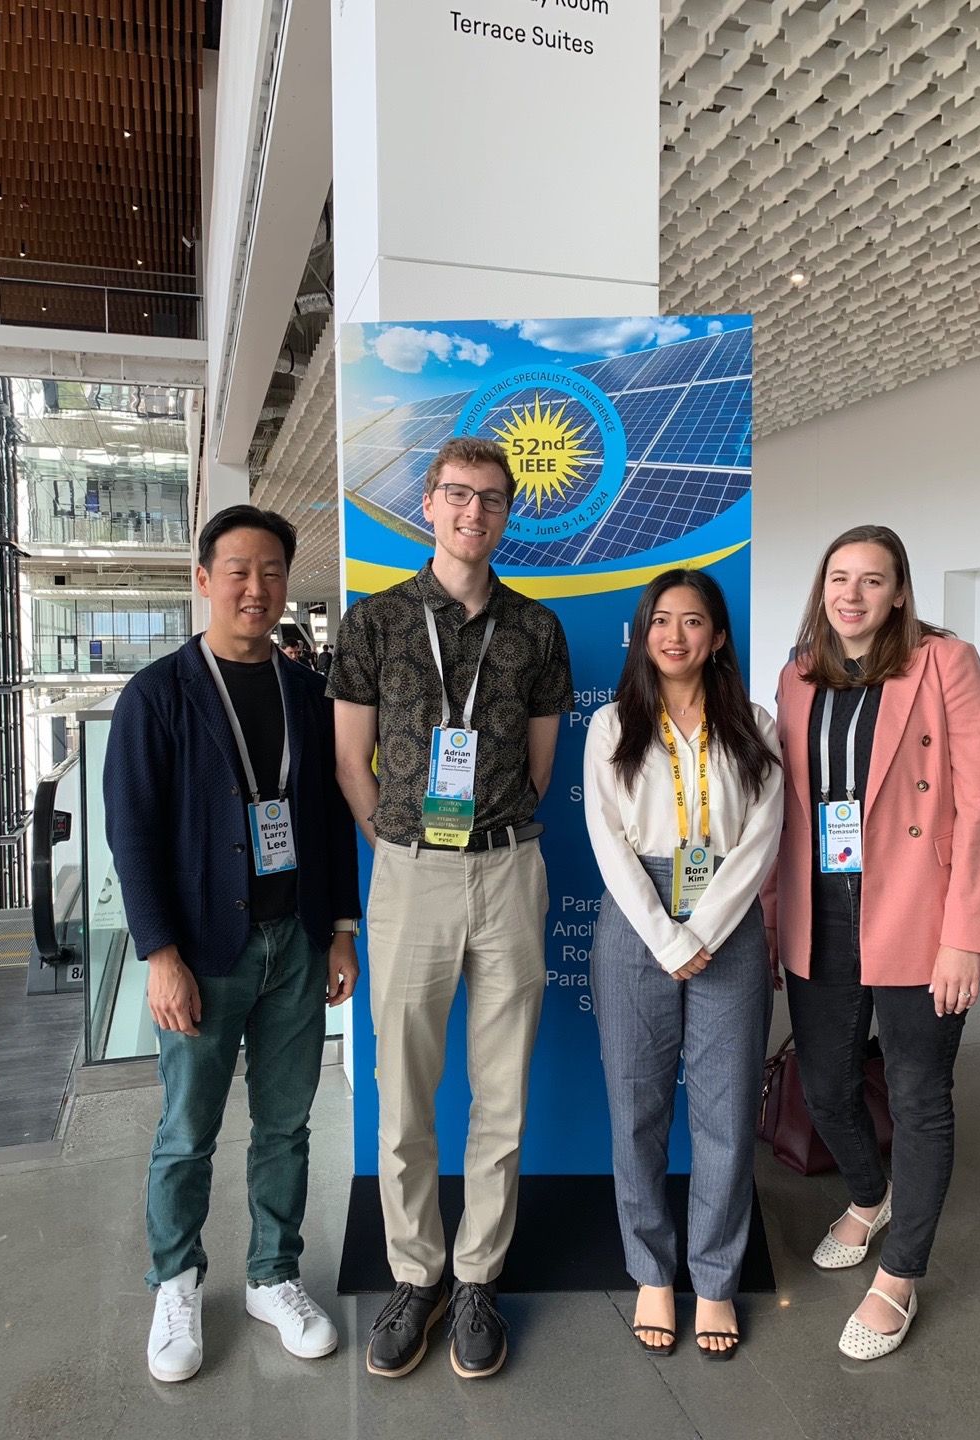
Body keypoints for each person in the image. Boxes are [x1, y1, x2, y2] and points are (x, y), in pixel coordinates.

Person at [332, 435, 574, 1380]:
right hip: (409, 874)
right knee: (403, 1096)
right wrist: (396, 844)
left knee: (502, 1095)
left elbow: (543, 767)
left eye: (492, 499)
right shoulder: (375, 622)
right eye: (458, 495)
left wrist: (487, 835)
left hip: (509, 868)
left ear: (508, 515)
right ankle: (415, 1275)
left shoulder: (538, 630)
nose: (475, 512)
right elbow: (353, 763)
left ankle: (478, 1276)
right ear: (428, 503)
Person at [105, 504, 361, 1384]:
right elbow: (131, 833)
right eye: (239, 571)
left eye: (273, 572)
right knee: (187, 1132)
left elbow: (325, 822)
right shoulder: (159, 695)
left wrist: (340, 931)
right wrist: (159, 954)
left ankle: (272, 1275)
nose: (257, 589)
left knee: (286, 1125)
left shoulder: (307, 692)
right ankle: (176, 1281)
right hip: (205, 949)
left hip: (294, 940)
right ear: (204, 579)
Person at [764, 523, 980, 1360]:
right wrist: (774, 917)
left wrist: (964, 937)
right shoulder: (798, 675)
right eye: (838, 577)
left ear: (900, 592)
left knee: (917, 1096)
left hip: (920, 907)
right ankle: (869, 1197)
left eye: (872, 580)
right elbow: (789, 814)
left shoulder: (945, 662)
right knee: (829, 1083)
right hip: (822, 906)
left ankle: (902, 1273)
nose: (851, 594)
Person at [583, 568, 783, 1360]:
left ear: (718, 635)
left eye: (692, 621)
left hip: (727, 912)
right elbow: (607, 839)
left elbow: (763, 836)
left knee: (727, 1113)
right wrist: (668, 937)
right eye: (661, 620)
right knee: (635, 1108)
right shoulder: (612, 725)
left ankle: (716, 1278)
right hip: (637, 917)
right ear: (644, 632)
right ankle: (652, 1273)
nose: (675, 635)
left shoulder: (754, 722)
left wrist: (707, 926)